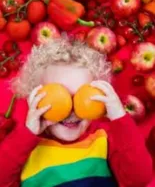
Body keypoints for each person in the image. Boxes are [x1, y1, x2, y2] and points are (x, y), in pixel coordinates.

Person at [0, 37, 152, 187]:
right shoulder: (24, 149)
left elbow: (139, 178)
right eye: (59, 96)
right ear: (34, 98)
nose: (71, 110)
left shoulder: (103, 141)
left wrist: (119, 118)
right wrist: (26, 134)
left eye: (82, 96)